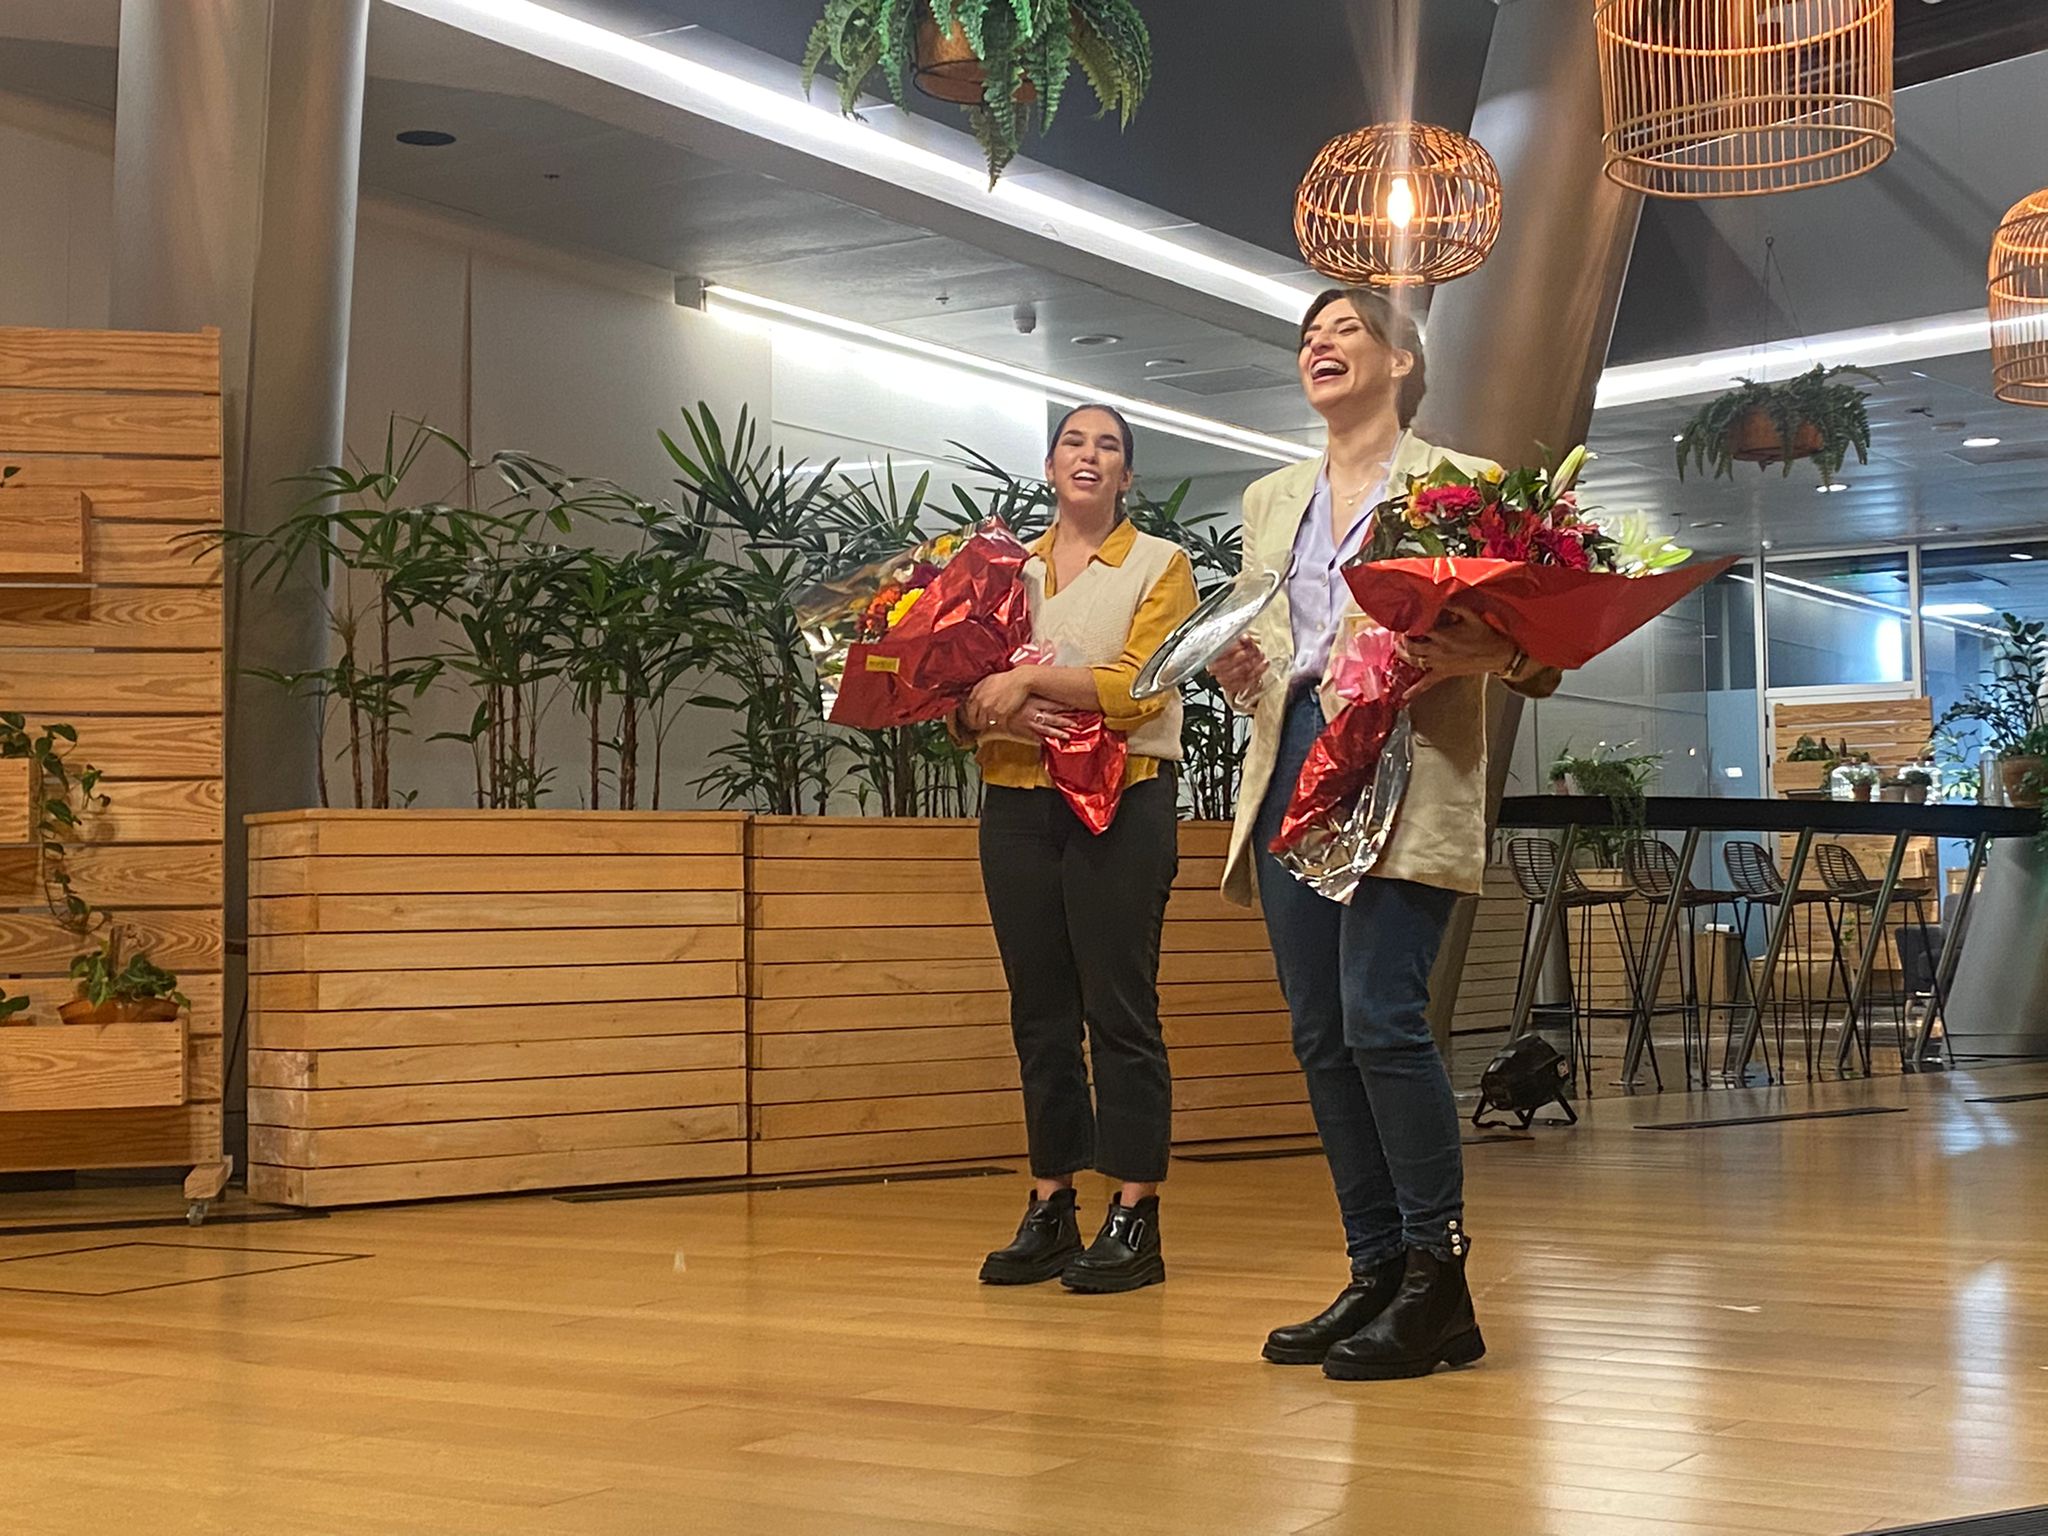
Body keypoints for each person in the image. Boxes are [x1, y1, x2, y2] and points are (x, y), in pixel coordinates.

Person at [1209, 290, 1563, 1378]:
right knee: (1319, 1031)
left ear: (1402, 360)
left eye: (1343, 331)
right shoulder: (1269, 498)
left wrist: (1482, 659)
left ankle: (1436, 1278)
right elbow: (1270, 646)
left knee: (1381, 1018)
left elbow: (1540, 653)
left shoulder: (1460, 490)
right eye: (1307, 335)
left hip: (1410, 764)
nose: (1317, 343)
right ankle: (1372, 1269)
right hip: (1292, 767)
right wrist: (1239, 674)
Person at [957, 404, 1198, 1293]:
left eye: (1108, 446)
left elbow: (1138, 686)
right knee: (1039, 1011)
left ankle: (1135, 1213)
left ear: (1126, 477)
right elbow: (957, 698)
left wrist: (1021, 678)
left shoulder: (1159, 564)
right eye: (1073, 441)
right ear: (1052, 465)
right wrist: (998, 704)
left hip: (1123, 803)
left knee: (1119, 1009)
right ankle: (1051, 1201)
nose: (1088, 455)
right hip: (1017, 801)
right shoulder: (1003, 569)